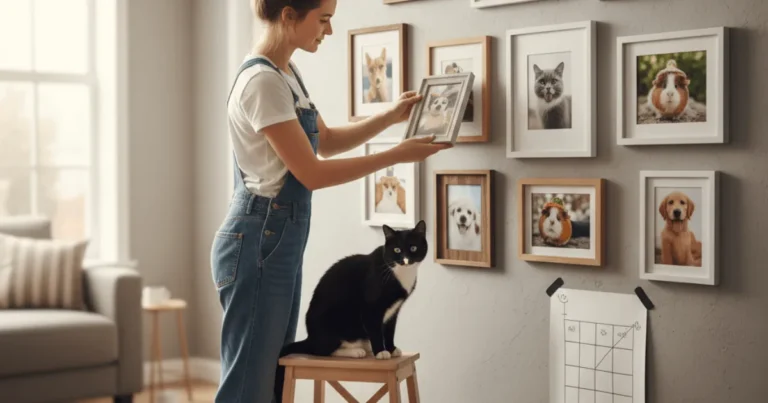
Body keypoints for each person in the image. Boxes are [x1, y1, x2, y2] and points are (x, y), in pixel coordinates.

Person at [210, 0, 452, 402]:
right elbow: (313, 174)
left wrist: (391, 118)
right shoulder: (263, 83)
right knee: (249, 384)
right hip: (258, 240)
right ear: (288, 15)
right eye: (323, 20)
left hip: (276, 239)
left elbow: (324, 143)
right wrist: (396, 155)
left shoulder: (286, 74)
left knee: (271, 375)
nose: (329, 31)